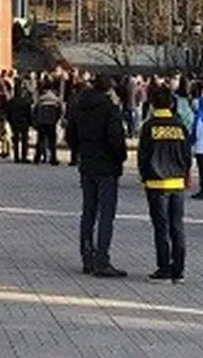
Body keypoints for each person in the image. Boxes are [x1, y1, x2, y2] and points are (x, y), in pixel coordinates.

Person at [65, 73, 128, 277]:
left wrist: (81, 151)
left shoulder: (78, 106)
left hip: (88, 163)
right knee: (106, 215)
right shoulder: (110, 109)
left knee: (88, 212)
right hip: (107, 166)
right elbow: (116, 138)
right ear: (109, 88)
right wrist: (120, 158)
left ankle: (87, 257)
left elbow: (70, 136)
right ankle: (102, 260)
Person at [137, 85, 191, 284]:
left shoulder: (149, 127)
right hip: (177, 182)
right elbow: (187, 155)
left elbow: (143, 156)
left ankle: (164, 268)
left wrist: (144, 177)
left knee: (161, 228)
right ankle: (179, 270)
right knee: (177, 226)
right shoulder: (179, 126)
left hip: (156, 184)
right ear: (171, 103)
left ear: (152, 103)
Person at [33, 86, 63, 165]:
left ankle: (37, 158)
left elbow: (35, 110)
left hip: (41, 122)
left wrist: (37, 120)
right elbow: (60, 111)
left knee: (40, 140)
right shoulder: (56, 100)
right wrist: (56, 120)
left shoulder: (41, 99)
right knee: (52, 141)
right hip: (51, 122)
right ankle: (53, 158)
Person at [5, 82, 34, 163]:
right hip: (24, 122)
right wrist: (31, 122)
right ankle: (24, 156)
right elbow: (29, 113)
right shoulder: (25, 101)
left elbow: (8, 112)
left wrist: (10, 121)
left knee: (16, 139)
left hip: (14, 122)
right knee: (24, 140)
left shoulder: (11, 101)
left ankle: (16, 156)